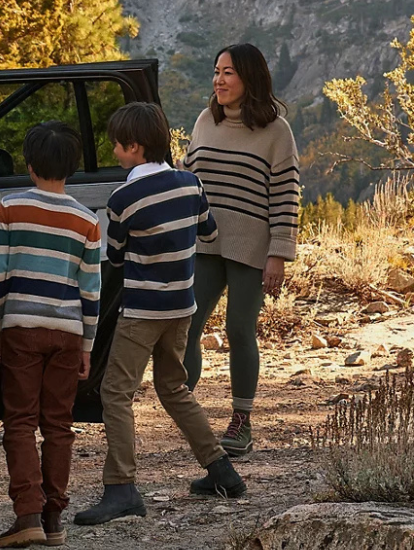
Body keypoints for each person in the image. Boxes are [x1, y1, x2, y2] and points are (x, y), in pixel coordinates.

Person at [75, 102, 246, 526]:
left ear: (134, 146)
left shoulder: (123, 199)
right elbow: (209, 231)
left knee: (116, 393)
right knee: (173, 387)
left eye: (117, 145)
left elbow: (113, 257)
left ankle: (121, 487)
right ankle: (221, 470)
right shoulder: (191, 184)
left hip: (142, 312)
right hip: (181, 308)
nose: (114, 152)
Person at [182, 43, 301, 458]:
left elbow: (286, 194)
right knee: (188, 326)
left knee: (238, 330)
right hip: (205, 242)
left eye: (228, 72)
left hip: (252, 247)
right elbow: (190, 177)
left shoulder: (276, 131)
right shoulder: (205, 121)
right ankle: (188, 414)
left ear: (249, 77)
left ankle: (241, 421)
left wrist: (279, 253)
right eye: (216, 71)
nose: (218, 80)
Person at [0, 121, 101, 548]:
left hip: (22, 329)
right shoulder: (87, 220)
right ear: (70, 169)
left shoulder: (10, 208)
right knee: (59, 424)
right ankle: (53, 520)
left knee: (19, 421)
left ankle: (27, 514)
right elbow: (91, 290)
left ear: (30, 166)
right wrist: (87, 345)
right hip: (68, 333)